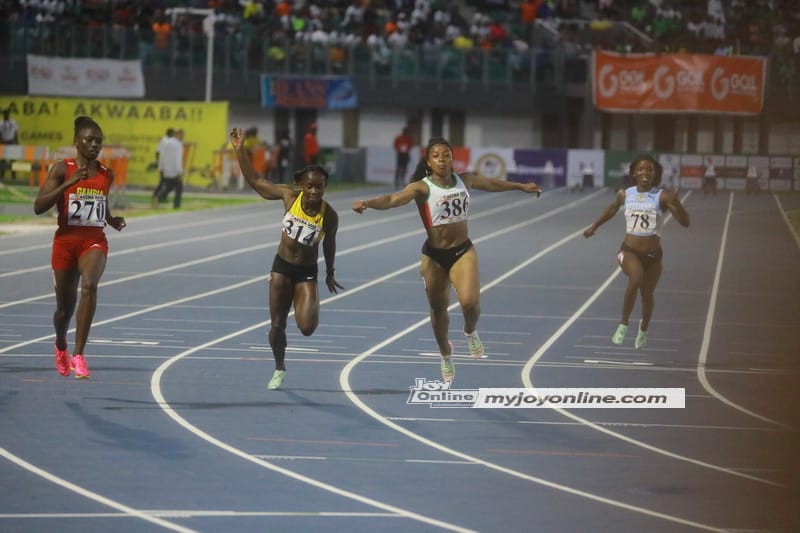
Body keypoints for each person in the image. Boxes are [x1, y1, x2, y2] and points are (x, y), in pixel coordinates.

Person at [351, 136, 542, 383]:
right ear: (429, 163)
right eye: (436, 156)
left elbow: (493, 184)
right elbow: (392, 200)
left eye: (446, 155)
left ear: (453, 159)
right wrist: (367, 203)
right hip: (434, 257)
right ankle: (445, 354)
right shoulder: (421, 188)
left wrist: (521, 187)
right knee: (438, 309)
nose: (442, 159)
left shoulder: (466, 180)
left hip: (463, 251)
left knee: (470, 303)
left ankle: (470, 331)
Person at [230, 127, 344, 390]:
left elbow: (330, 243)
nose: (315, 191)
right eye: (310, 186)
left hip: (306, 272)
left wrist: (329, 273)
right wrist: (240, 151)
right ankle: (279, 367)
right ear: (301, 186)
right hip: (281, 268)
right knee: (277, 325)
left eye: (320, 187)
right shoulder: (289, 196)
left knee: (306, 327)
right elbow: (256, 182)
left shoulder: (330, 215)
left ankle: (305, 303)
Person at [33, 116, 127, 378]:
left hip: (93, 241)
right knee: (64, 310)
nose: (95, 144)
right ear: (77, 142)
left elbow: (99, 203)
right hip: (65, 243)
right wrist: (68, 183)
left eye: (99, 141)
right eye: (89, 139)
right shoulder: (62, 169)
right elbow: (38, 206)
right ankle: (61, 345)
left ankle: (79, 355)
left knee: (90, 285)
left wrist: (111, 220)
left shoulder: (107, 174)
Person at [583, 154, 690, 349]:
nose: (645, 172)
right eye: (641, 169)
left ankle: (644, 329)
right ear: (633, 173)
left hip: (654, 256)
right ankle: (623, 324)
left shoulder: (663, 196)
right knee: (636, 278)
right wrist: (594, 226)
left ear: (655, 173)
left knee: (647, 294)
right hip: (629, 251)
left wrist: (678, 203)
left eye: (649, 169)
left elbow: (685, 223)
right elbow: (612, 209)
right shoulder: (625, 194)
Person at [152, 127, 184, 208]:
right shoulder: (178, 144)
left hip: (166, 169)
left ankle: (158, 197)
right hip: (174, 170)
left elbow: (161, 155)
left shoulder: (166, 143)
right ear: (178, 134)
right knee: (178, 187)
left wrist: (161, 167)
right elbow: (178, 159)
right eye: (182, 134)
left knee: (169, 186)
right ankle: (176, 205)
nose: (183, 136)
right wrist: (179, 171)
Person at [0, 108, 20, 180]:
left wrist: (17, 143)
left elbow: (15, 133)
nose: (5, 115)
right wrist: (1, 143)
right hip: (4, 142)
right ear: (3, 115)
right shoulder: (1, 123)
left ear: (8, 114)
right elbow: (0, 134)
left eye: (6, 114)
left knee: (13, 160)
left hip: (12, 142)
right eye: (4, 114)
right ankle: (2, 176)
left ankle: (13, 176)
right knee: (3, 160)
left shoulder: (13, 122)